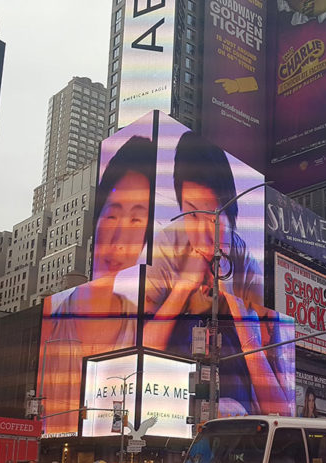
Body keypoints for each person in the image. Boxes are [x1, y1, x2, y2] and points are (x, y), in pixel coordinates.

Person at [145, 131, 291, 416]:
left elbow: (280, 409)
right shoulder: (166, 246)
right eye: (192, 214)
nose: (203, 233)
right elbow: (141, 351)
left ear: (231, 213)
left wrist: (236, 304)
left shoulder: (245, 261)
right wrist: (182, 290)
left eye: (213, 215)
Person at [40, 136, 157, 431]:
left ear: (146, 237)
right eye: (113, 214)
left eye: (135, 221)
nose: (118, 239)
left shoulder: (142, 328)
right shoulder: (54, 314)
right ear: (96, 220)